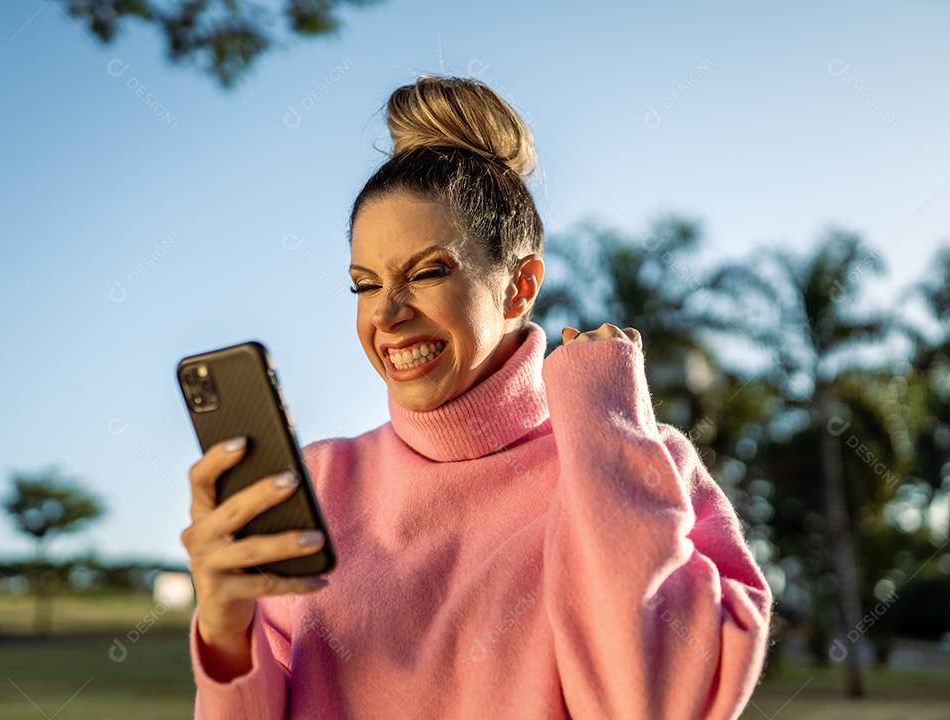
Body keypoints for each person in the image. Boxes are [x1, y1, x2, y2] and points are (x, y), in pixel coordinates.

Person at [179, 74, 772, 719]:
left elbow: (649, 704)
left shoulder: (640, 461)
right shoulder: (318, 484)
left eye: (428, 272)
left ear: (520, 286)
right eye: (365, 285)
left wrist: (603, 413)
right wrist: (223, 631)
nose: (389, 313)